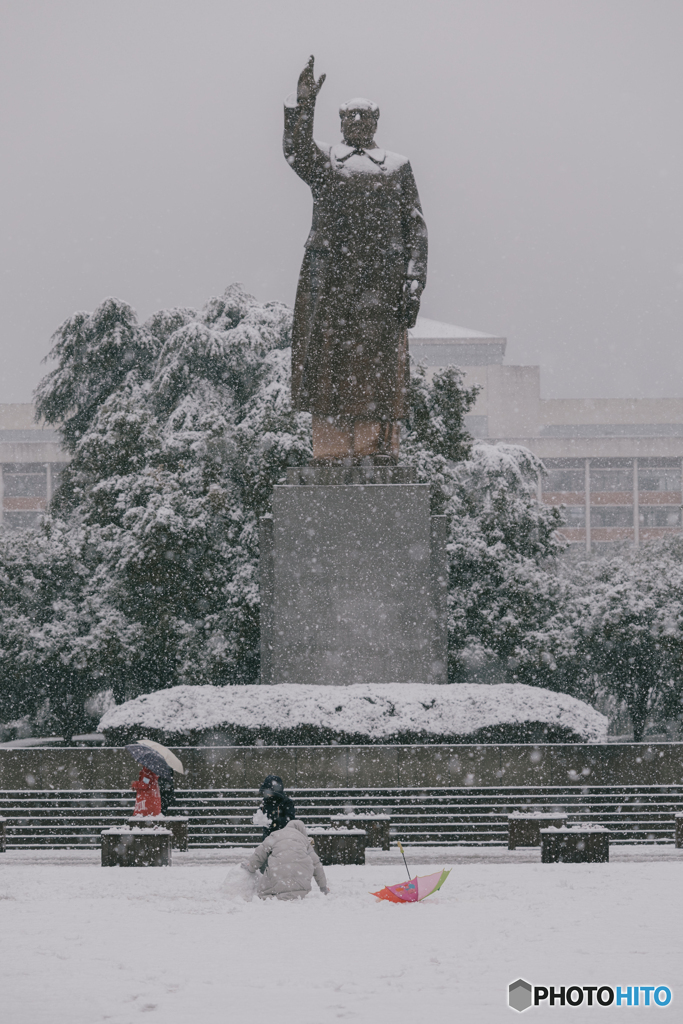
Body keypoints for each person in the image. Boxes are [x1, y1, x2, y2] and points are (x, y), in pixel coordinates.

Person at [283, 56, 428, 464]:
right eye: (350, 118)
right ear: (341, 122)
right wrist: (304, 105)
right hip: (332, 281)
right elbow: (295, 151)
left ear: (376, 121)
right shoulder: (327, 162)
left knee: (378, 369)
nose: (357, 124)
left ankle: (375, 446)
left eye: (364, 118)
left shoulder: (397, 168)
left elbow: (415, 225)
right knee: (328, 363)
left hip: (380, 285)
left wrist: (414, 279)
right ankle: (330, 448)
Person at [240, 819, 329, 901]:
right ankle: (295, 891)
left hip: (278, 877)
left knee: (265, 890)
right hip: (302, 884)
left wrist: (251, 866)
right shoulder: (304, 840)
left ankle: (273, 893)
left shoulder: (276, 835)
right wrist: (323, 887)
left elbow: (260, 853)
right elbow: (316, 864)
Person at [257, 775, 296, 840]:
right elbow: (261, 813)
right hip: (268, 837)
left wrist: (276, 820)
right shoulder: (266, 801)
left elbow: (290, 819)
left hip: (283, 837)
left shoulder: (286, 802)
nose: (267, 794)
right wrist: (258, 818)